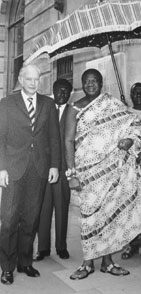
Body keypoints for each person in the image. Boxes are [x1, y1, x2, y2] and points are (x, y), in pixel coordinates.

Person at [64, 68, 141, 280]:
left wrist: (129, 140)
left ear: (101, 83)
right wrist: (71, 174)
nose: (91, 84)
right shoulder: (74, 108)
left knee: (109, 215)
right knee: (89, 216)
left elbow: (132, 128)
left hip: (112, 170)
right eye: (87, 81)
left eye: (95, 81)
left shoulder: (113, 104)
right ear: (82, 84)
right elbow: (67, 141)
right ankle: (87, 263)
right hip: (87, 172)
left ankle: (108, 262)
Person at [0, 64, 61, 285]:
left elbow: (54, 137)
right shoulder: (6, 104)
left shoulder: (48, 104)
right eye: (29, 79)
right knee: (8, 220)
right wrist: (1, 168)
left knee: (30, 218)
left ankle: (25, 262)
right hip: (14, 169)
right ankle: (6, 267)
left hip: (39, 169)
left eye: (37, 79)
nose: (33, 83)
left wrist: (54, 165)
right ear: (20, 79)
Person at [34, 79, 73, 262]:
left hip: (64, 170)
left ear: (70, 93)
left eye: (66, 91)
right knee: (43, 209)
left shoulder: (74, 112)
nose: (62, 94)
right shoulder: (43, 108)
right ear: (53, 90)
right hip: (43, 168)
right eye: (59, 90)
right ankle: (43, 249)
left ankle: (61, 247)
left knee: (62, 209)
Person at [121, 82, 141, 260]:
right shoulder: (124, 113)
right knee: (131, 205)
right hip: (131, 166)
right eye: (136, 93)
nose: (139, 95)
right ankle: (131, 244)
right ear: (131, 95)